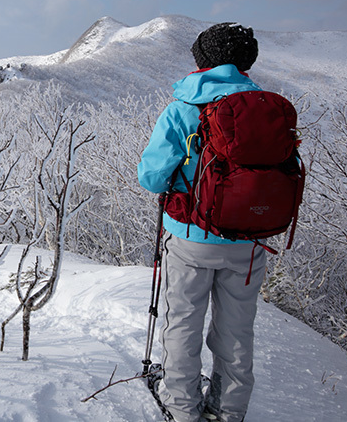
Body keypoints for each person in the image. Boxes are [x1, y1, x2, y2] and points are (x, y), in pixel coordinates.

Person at [137, 22, 264, 422]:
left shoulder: (184, 108)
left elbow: (152, 177)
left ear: (200, 61)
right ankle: (228, 411)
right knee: (237, 332)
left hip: (192, 237)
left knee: (183, 325)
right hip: (249, 239)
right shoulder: (264, 108)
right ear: (246, 62)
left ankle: (181, 408)